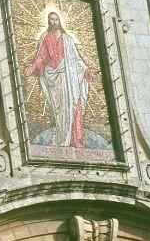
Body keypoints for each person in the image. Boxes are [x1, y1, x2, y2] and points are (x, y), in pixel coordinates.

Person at [26, 11, 97, 148]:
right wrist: (33, 66)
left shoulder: (68, 39)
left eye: (56, 19)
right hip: (54, 79)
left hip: (69, 79)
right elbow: (41, 57)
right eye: (51, 20)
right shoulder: (45, 38)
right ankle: (62, 137)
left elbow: (76, 60)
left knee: (73, 106)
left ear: (60, 21)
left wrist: (86, 70)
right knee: (61, 112)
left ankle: (75, 140)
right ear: (48, 21)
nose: (53, 22)